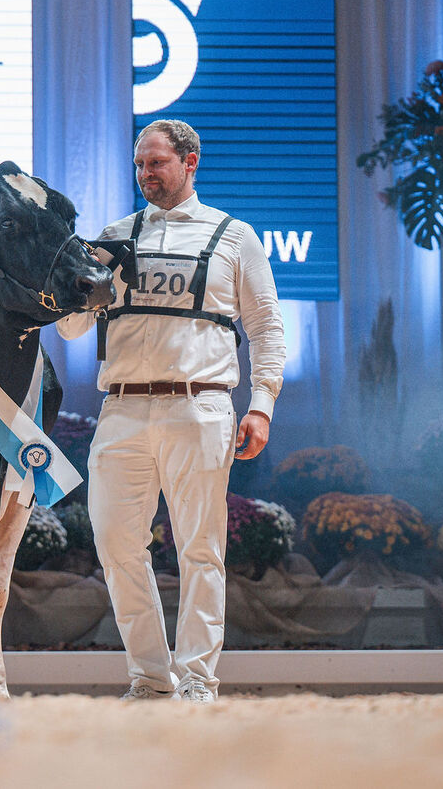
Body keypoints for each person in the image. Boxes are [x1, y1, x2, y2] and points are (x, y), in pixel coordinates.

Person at [57, 119, 285, 703]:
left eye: (155, 163)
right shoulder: (115, 234)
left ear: (190, 162)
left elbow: (265, 327)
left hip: (200, 406)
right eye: (139, 165)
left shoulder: (233, 236)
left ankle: (197, 680)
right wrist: (78, 279)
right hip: (123, 409)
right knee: (114, 544)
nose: (145, 175)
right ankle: (150, 676)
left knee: (200, 548)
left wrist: (260, 405)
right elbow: (73, 327)